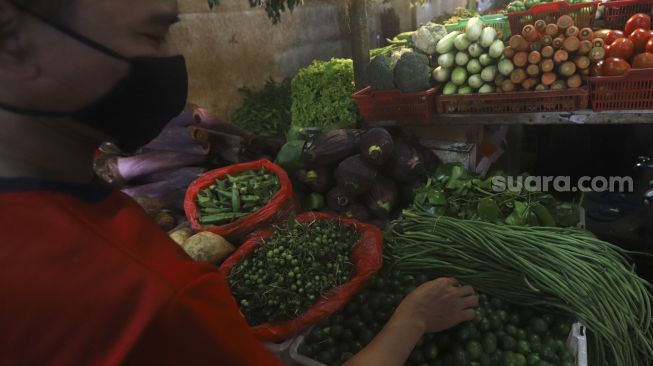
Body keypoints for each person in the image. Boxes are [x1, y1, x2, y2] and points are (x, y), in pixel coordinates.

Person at [0, 0, 479, 365]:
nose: (170, 62)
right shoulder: (150, 291)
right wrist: (411, 320)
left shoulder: (74, 213)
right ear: (12, 39)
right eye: (150, 37)